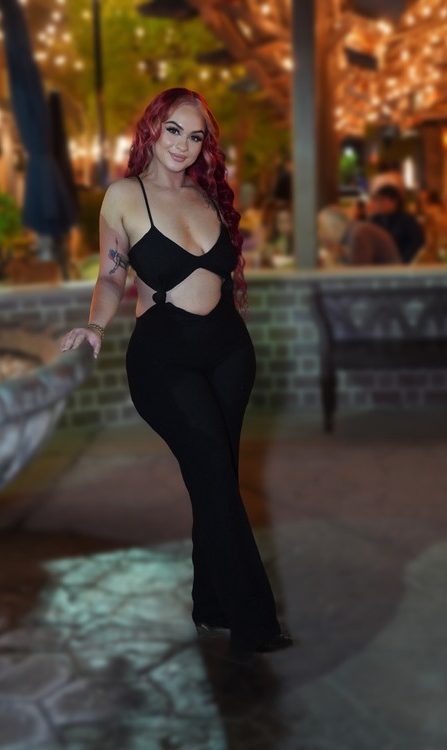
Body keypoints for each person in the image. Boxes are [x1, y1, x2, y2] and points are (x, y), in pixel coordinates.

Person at [60, 88, 292, 660]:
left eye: (195, 136)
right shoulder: (124, 197)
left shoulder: (207, 196)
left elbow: (223, 276)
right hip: (165, 360)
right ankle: (254, 620)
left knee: (216, 480)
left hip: (229, 354)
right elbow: (111, 276)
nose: (183, 145)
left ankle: (210, 604)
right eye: (173, 130)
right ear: (152, 128)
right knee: (214, 477)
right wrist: (95, 324)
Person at [318, 206, 400, 266]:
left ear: (335, 226)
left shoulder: (358, 234)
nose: (322, 235)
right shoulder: (356, 230)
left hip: (386, 282)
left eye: (323, 229)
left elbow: (357, 273)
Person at [370, 185, 425, 264]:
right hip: (378, 267)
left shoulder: (407, 221)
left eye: (383, 200)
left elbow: (417, 244)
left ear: (395, 201)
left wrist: (401, 263)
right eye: (378, 200)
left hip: (402, 265)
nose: (379, 203)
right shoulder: (375, 220)